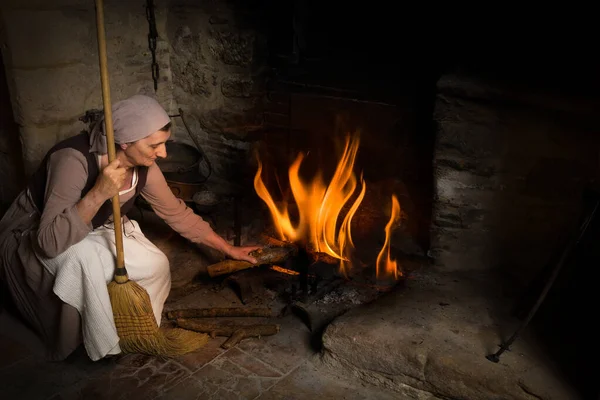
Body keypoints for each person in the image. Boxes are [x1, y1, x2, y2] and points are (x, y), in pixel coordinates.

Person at [0, 94, 259, 362]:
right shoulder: (72, 160)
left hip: (95, 227)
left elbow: (176, 212)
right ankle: (99, 346)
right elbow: (49, 241)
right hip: (39, 231)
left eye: (164, 144)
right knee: (85, 261)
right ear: (124, 143)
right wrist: (99, 192)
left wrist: (229, 249)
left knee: (155, 264)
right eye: (154, 145)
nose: (163, 153)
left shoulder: (145, 168)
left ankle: (132, 330)